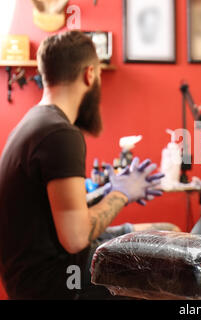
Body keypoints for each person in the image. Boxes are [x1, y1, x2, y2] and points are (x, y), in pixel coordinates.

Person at [0, 31, 173, 300]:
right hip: (53, 281)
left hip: (40, 268)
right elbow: (76, 237)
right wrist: (120, 193)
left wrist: (107, 191)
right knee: (175, 265)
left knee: (169, 233)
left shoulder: (35, 122)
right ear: (90, 74)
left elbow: (55, 215)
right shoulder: (60, 133)